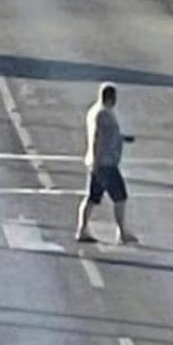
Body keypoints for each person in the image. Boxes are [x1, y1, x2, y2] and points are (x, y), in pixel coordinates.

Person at [76, 83, 137, 244]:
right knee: (120, 197)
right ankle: (121, 233)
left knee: (92, 198)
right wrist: (96, 163)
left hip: (100, 162)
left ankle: (82, 229)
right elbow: (98, 138)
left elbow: (108, 135)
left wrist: (122, 138)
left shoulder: (96, 111)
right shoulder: (103, 114)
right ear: (110, 98)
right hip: (105, 164)